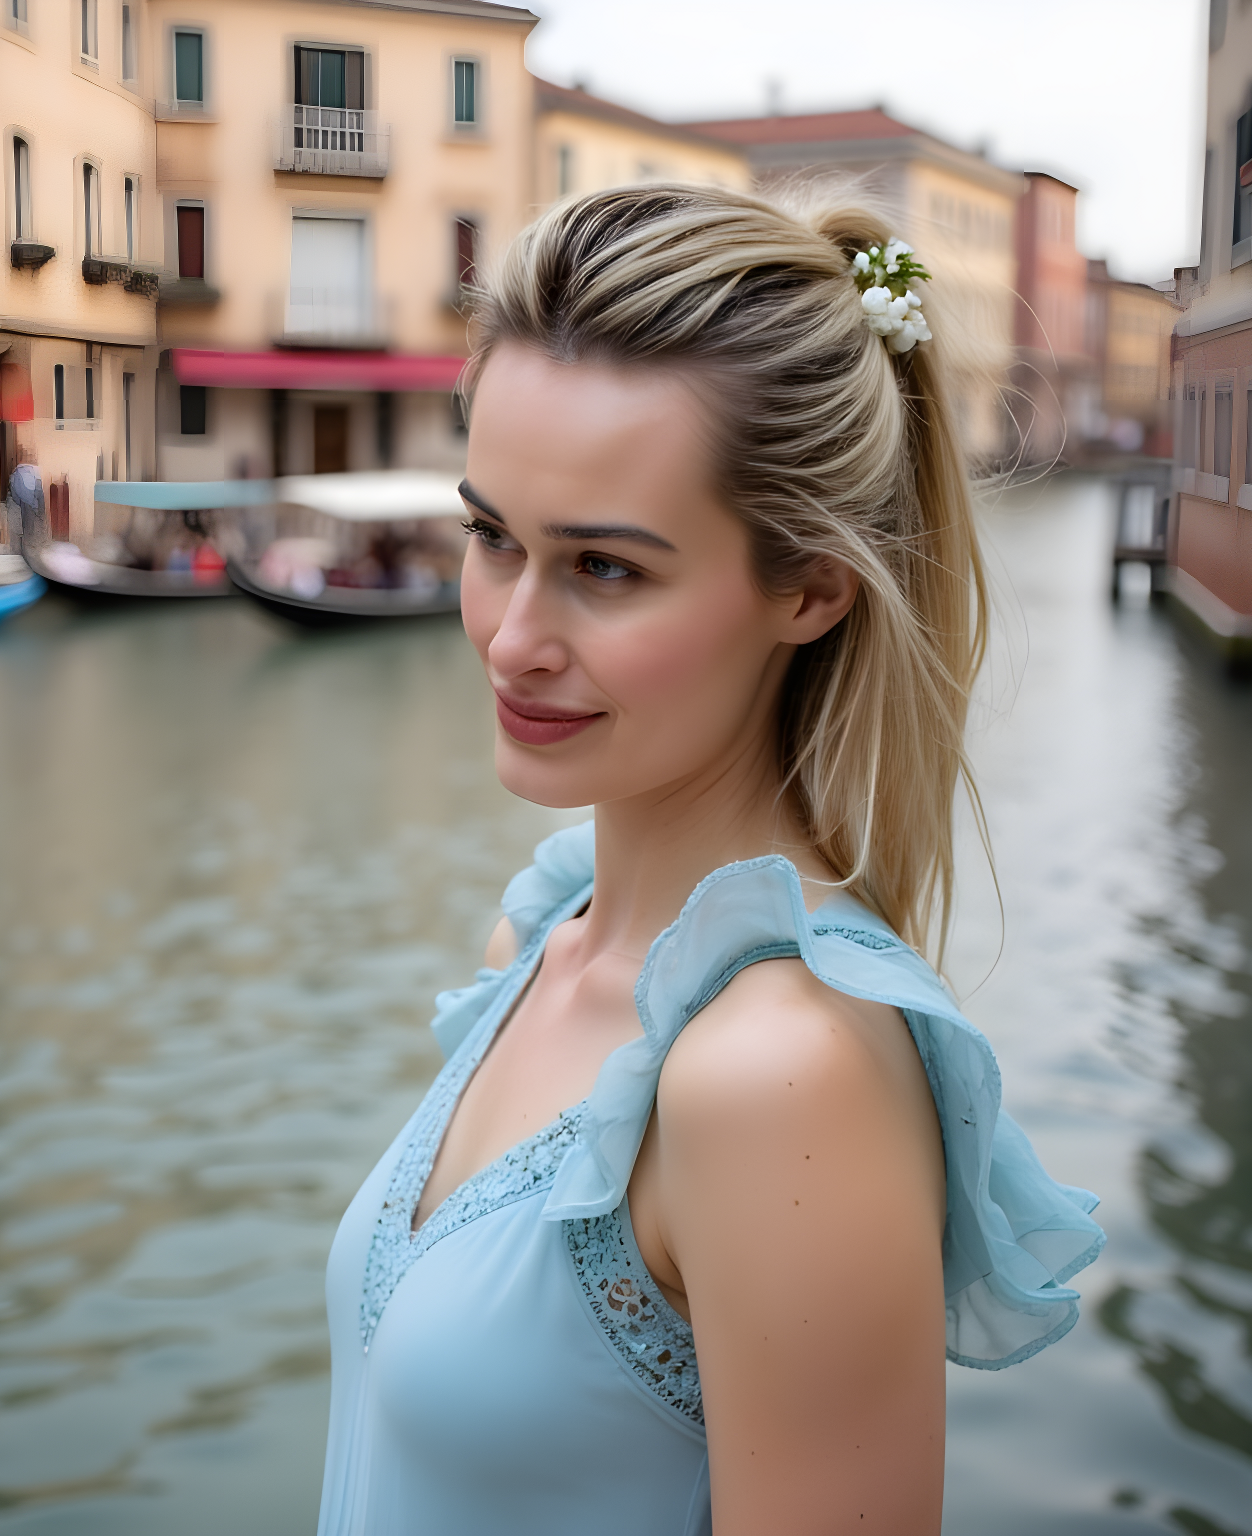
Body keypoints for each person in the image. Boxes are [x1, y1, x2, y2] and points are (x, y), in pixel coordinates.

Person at [317, 184, 1103, 1536]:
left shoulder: (776, 1077)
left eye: (606, 570)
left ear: (808, 585)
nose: (511, 639)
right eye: (491, 537)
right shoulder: (541, 937)